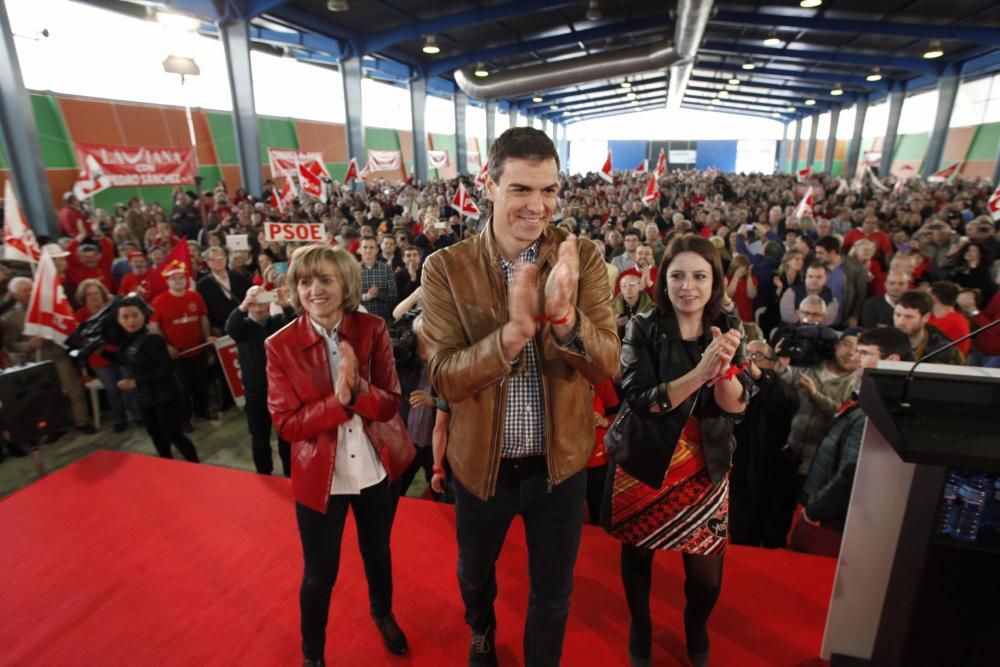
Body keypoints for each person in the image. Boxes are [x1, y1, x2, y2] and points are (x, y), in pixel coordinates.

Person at [420, 127, 619, 667]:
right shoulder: (444, 268)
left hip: (560, 468)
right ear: (489, 183)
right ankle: (481, 629)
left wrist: (564, 321)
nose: (539, 207)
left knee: (553, 593)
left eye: (550, 191)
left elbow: (608, 365)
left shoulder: (584, 259)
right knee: (473, 573)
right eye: (522, 190)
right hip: (481, 466)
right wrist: (508, 337)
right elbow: (443, 378)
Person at [603, 234, 750, 667]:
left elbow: (737, 406)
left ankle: (695, 625)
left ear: (715, 282)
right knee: (638, 554)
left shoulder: (729, 323)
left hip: (706, 463)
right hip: (646, 460)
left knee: (705, 575)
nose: (689, 286)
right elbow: (640, 400)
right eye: (678, 275)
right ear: (662, 280)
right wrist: (699, 371)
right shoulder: (644, 327)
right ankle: (640, 626)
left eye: (700, 276)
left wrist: (722, 372)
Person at [265, 244, 409, 665]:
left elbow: (390, 404)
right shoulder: (280, 345)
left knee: (377, 554)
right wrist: (340, 399)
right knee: (319, 574)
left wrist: (359, 389)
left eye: (325, 279)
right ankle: (313, 652)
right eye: (305, 281)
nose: (315, 290)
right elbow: (288, 425)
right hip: (319, 478)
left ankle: (382, 613)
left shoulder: (373, 328)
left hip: (375, 468)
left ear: (345, 283)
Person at [790, 326, 913, 557]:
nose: (855, 358)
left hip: (830, 521)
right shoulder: (874, 399)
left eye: (865, 353)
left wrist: (815, 511)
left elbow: (852, 469)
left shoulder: (877, 411)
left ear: (893, 360)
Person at [107, 294, 199, 461]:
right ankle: (166, 466)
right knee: (156, 436)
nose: (131, 321)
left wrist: (135, 382)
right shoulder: (126, 341)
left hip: (166, 395)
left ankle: (196, 468)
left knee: (174, 435)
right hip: (145, 397)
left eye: (135, 315)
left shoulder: (153, 339)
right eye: (125, 317)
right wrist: (102, 352)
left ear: (143, 315)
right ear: (118, 319)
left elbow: (166, 369)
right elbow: (126, 360)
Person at [730, 339, 800, 548]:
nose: (750, 360)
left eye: (758, 356)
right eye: (747, 354)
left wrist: (759, 376)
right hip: (735, 466)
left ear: (774, 363)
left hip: (766, 470)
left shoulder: (783, 389)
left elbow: (782, 401)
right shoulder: (732, 386)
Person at [225, 285, 294, 477]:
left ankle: (290, 474)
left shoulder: (278, 321)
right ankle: (264, 474)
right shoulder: (243, 327)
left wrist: (286, 305)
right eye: (253, 298)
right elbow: (231, 328)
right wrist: (243, 306)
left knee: (286, 436)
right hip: (256, 392)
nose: (258, 303)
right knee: (259, 437)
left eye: (262, 296)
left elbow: (299, 325)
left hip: (282, 390)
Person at [74, 279, 140, 432]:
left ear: (102, 293)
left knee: (129, 386)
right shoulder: (80, 315)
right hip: (99, 358)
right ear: (83, 297)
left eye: (96, 293)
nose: (93, 297)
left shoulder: (113, 309)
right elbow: (79, 338)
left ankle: (138, 416)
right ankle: (119, 419)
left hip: (120, 353)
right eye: (89, 294)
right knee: (112, 390)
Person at [893, 289, 964, 364]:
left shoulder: (945, 351)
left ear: (926, 317)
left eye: (909, 317)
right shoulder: (882, 342)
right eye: (897, 315)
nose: (900, 322)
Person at [358, 237, 399, 322]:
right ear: (360, 250)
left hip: (384, 321)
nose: (368, 250)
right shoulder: (353, 270)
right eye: (365, 247)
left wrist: (379, 293)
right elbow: (347, 297)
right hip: (360, 319)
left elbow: (394, 296)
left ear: (377, 250)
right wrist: (365, 297)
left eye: (371, 247)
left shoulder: (386, 269)